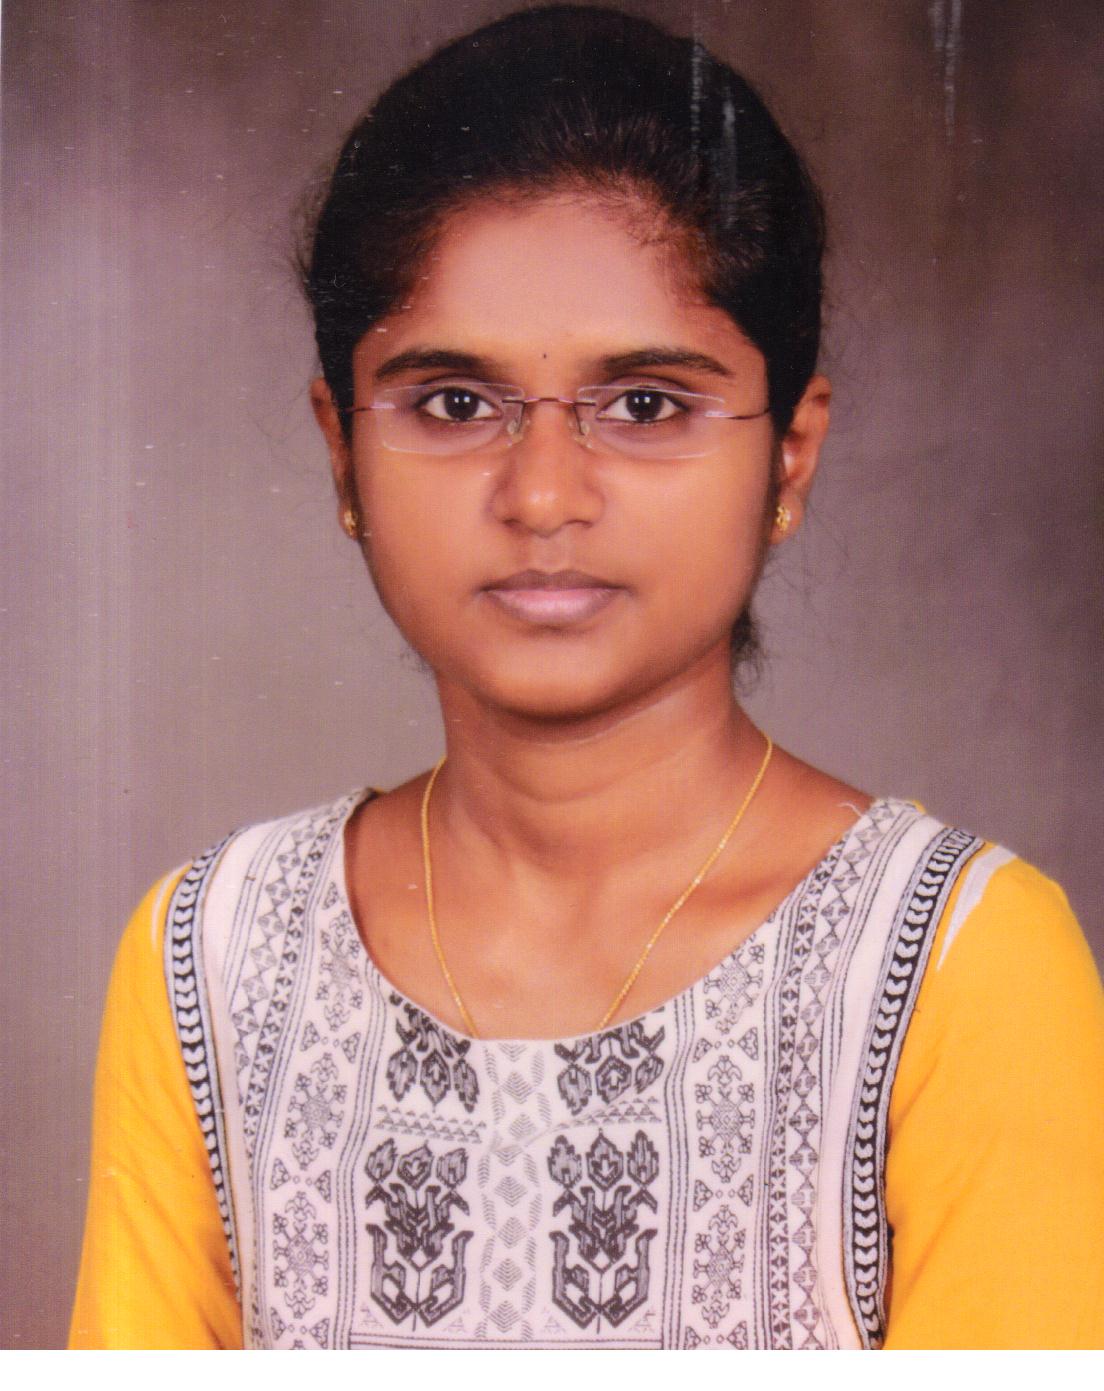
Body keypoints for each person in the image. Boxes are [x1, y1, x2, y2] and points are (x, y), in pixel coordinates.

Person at [69, 3, 1104, 1351]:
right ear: (341, 452)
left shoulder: (955, 971)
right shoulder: (212, 961)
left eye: (647, 405)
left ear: (789, 455)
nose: (545, 495)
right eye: (454, 403)